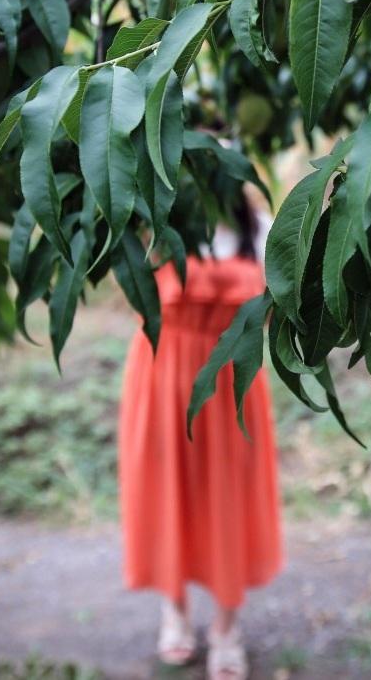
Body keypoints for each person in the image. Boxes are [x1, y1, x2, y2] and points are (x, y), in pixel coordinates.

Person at [118, 197, 281, 679]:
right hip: (161, 374)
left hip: (232, 379)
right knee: (168, 489)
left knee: (229, 496)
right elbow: (131, 290)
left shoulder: (263, 229)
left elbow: (274, 310)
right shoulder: (155, 225)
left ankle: (226, 625)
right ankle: (175, 609)